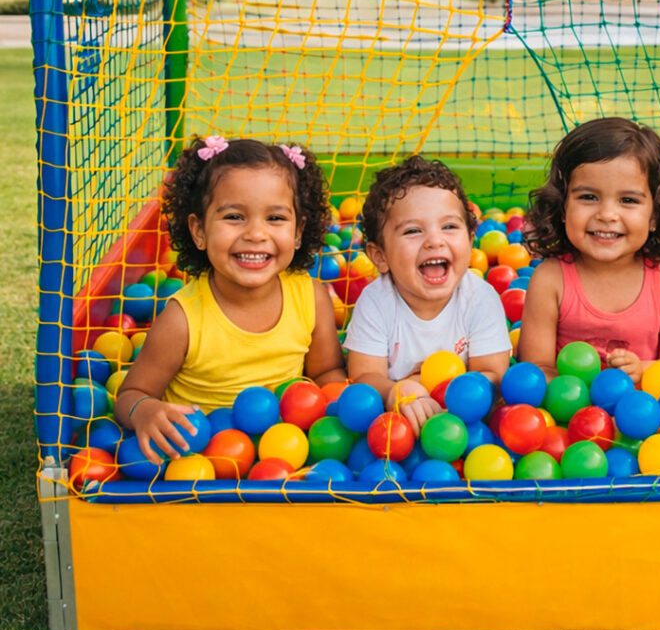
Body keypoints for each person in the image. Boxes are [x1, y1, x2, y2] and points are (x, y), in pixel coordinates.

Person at [115, 136, 346, 463]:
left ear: (298, 231)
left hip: (288, 455)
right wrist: (146, 411)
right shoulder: (182, 319)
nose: (255, 233)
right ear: (199, 231)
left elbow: (327, 372)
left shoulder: (310, 296)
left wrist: (331, 417)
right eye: (235, 217)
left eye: (275, 218)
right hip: (201, 463)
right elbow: (131, 394)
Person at [517, 117, 660, 384]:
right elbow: (536, 369)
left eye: (628, 200)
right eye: (588, 197)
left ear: (654, 215)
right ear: (562, 206)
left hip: (645, 419)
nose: (607, 214)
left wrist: (643, 370)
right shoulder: (549, 279)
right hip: (569, 421)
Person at [344, 155, 512, 433]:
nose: (435, 240)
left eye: (449, 226)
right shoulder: (375, 301)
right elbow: (363, 376)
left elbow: (494, 376)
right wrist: (399, 392)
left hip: (466, 427)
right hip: (395, 431)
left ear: (470, 241)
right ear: (380, 256)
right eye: (413, 230)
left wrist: (448, 395)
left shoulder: (481, 298)